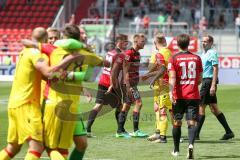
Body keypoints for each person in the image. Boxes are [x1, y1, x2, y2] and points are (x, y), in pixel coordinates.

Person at [0, 27, 83, 160]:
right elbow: (49, 73)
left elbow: (43, 76)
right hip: (27, 105)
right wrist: (68, 68)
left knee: (13, 148)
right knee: (39, 148)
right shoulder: (37, 54)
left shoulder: (24, 52)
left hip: (14, 103)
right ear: (45, 40)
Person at [86, 34, 129, 137]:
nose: (127, 44)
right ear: (120, 42)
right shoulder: (119, 55)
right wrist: (112, 86)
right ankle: (120, 131)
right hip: (111, 83)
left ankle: (87, 130)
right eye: (125, 42)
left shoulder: (110, 52)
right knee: (120, 106)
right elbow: (113, 72)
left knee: (98, 105)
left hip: (102, 81)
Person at [168, 34, 203, 159]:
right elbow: (200, 79)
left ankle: (176, 150)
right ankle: (191, 145)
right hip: (193, 95)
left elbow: (172, 77)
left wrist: (171, 92)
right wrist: (191, 83)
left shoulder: (173, 59)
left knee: (177, 123)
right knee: (191, 123)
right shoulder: (197, 58)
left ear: (177, 44)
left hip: (178, 96)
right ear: (189, 44)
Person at [195, 35, 234, 140]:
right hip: (205, 81)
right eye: (202, 41)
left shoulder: (212, 52)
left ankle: (195, 135)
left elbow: (215, 68)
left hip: (208, 82)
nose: (203, 43)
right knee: (214, 108)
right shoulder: (204, 53)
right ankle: (229, 132)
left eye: (206, 41)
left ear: (211, 43)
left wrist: (213, 85)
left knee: (201, 107)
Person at [142, 34, 173, 143]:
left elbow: (163, 70)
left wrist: (149, 75)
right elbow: (155, 68)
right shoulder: (165, 52)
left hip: (164, 84)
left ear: (155, 43)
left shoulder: (162, 53)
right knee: (158, 108)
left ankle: (163, 136)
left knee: (164, 109)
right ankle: (158, 132)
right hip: (159, 85)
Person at [116, 33, 148, 138]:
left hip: (133, 83)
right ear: (136, 41)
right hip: (129, 84)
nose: (144, 43)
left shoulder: (137, 54)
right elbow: (125, 70)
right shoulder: (129, 53)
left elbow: (134, 68)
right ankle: (136, 130)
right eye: (142, 41)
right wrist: (128, 85)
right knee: (138, 103)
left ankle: (119, 131)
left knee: (127, 106)